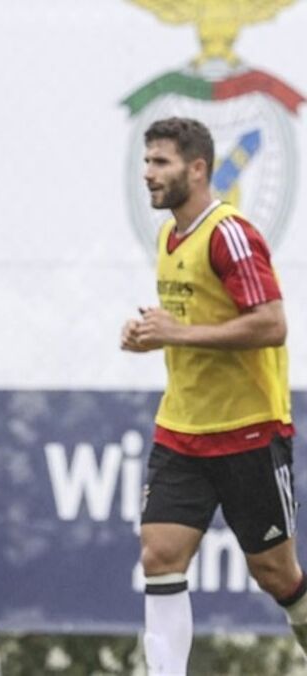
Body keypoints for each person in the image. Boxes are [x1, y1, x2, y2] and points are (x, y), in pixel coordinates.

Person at [121, 117, 307, 675]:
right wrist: (148, 333)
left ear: (198, 169)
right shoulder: (167, 236)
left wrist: (176, 333)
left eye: (161, 162)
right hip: (182, 430)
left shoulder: (229, 234)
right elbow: (192, 319)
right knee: (159, 554)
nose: (148, 173)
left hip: (248, 430)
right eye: (147, 161)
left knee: (277, 574)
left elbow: (271, 324)